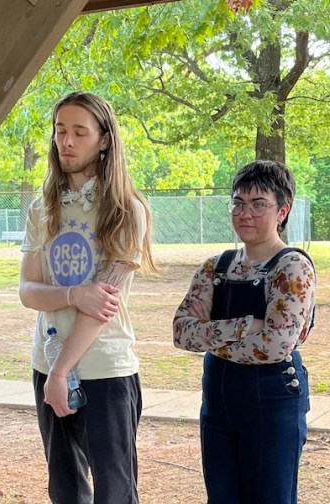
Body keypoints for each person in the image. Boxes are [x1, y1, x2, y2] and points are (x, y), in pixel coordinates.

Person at [19, 91, 156, 504]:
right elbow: (28, 291)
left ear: (105, 139)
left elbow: (103, 307)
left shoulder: (127, 210)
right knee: (65, 490)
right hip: (47, 364)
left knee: (114, 492)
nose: (67, 141)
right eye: (61, 130)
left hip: (105, 370)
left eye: (80, 131)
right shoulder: (43, 208)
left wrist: (62, 372)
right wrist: (74, 293)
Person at [173, 160, 316, 504]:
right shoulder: (216, 267)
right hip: (219, 403)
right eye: (238, 203)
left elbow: (275, 346)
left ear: (282, 210)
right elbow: (181, 333)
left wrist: (212, 334)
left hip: (272, 402)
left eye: (258, 204)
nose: (245, 213)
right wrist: (245, 326)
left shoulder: (292, 266)